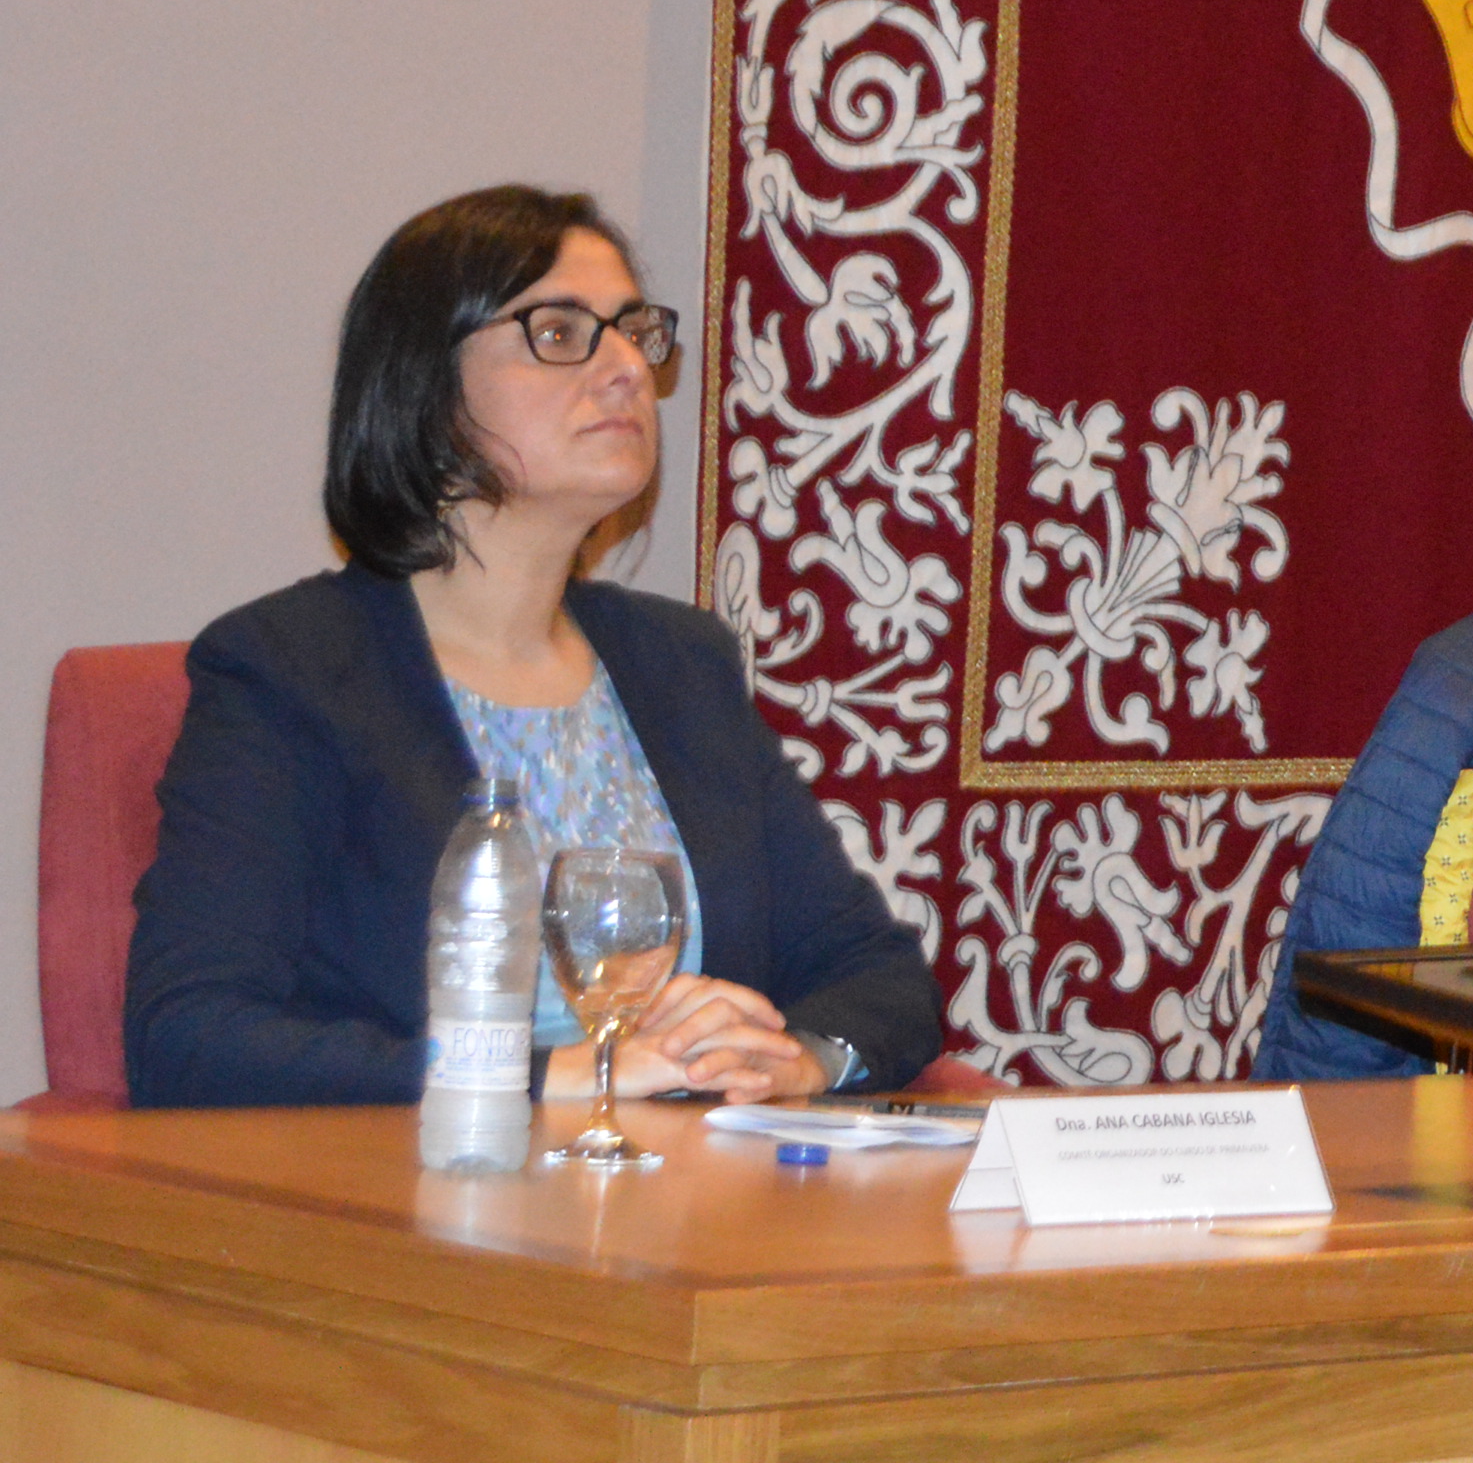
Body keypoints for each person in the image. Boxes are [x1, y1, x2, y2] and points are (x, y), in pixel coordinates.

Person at [126, 187, 946, 1107]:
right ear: (424, 385)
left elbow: (874, 971)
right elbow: (189, 1036)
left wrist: (799, 1056)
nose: (628, 368)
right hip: (413, 1185)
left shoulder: (681, 662)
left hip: (690, 1186)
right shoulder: (290, 667)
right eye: (559, 333)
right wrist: (553, 1078)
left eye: (633, 331)